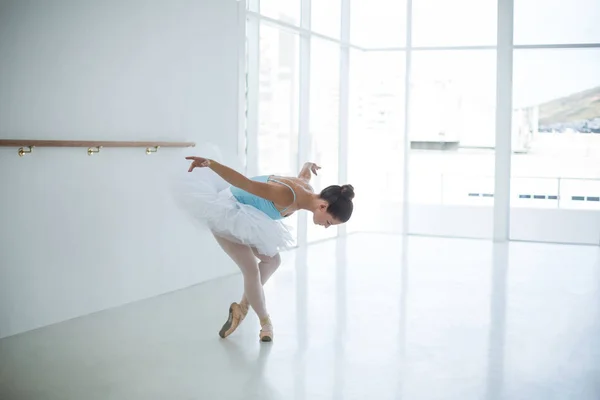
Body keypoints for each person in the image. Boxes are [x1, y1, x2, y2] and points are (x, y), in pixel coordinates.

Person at [178, 155, 355, 342]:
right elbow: (245, 183)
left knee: (273, 260)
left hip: (249, 215)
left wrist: (308, 165)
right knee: (251, 270)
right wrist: (211, 164)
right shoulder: (286, 195)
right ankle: (265, 323)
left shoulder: (307, 189)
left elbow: (304, 175)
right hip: (227, 212)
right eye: (329, 222)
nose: (326, 226)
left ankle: (242, 307)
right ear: (323, 206)